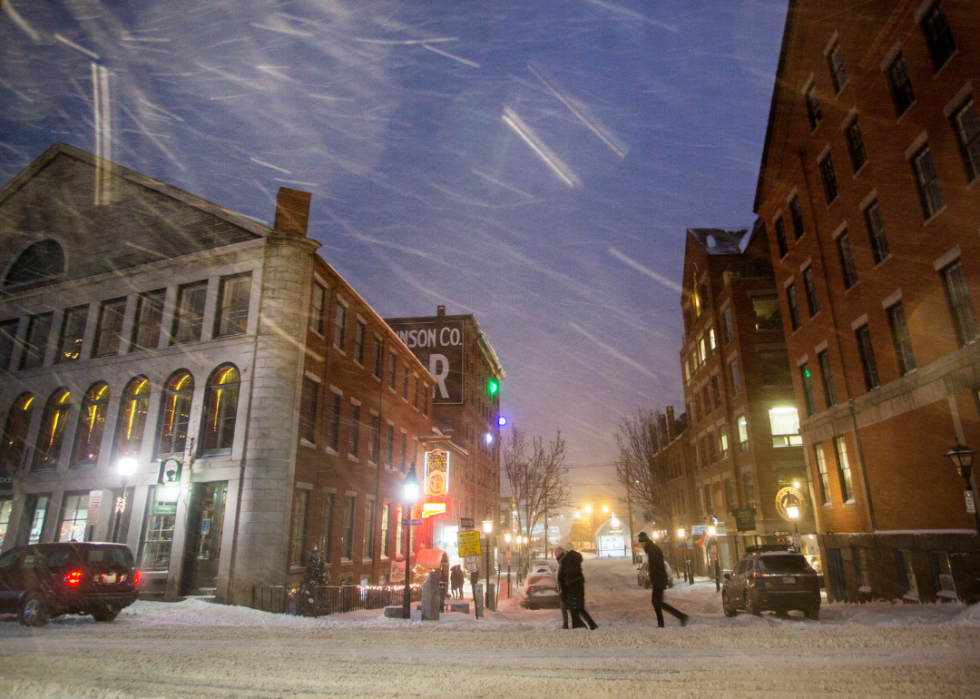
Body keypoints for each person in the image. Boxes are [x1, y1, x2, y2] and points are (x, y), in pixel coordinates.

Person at [637, 531, 688, 627]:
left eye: (641, 543)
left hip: (659, 578)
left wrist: (655, 576)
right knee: (657, 602)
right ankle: (665, 622)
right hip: (659, 578)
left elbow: (656, 564)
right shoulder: (652, 548)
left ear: (643, 542)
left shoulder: (651, 549)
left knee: (657, 602)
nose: (641, 545)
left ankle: (680, 617)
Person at [555, 544, 597, 630]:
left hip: (573, 589)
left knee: (575, 608)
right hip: (575, 588)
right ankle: (585, 627)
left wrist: (567, 585)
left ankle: (582, 628)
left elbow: (566, 577)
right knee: (577, 608)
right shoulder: (571, 560)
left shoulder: (568, 561)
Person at [554, 547, 570, 629]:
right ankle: (567, 624)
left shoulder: (564, 563)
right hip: (566, 590)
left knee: (564, 607)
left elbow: (563, 578)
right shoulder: (564, 562)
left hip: (566, 591)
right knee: (567, 608)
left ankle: (566, 624)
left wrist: (563, 590)